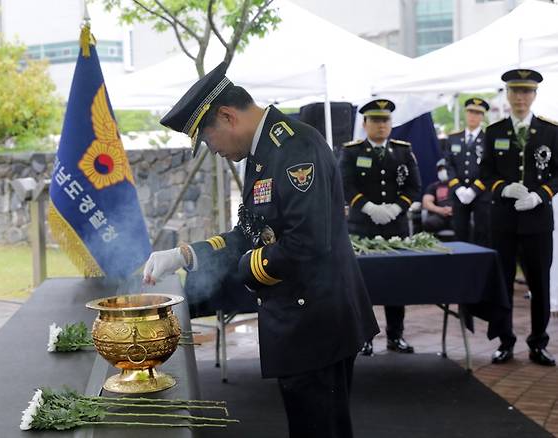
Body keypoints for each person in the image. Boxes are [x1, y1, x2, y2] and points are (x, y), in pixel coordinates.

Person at [142, 62, 379, 437]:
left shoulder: (295, 146)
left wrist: (245, 270)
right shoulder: (264, 151)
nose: (213, 151)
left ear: (226, 116)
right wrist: (187, 254)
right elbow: (252, 231)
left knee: (321, 429)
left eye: (207, 140)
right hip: (301, 321)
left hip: (317, 321)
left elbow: (308, 241)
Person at [480, 68, 557, 366]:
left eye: (526, 91)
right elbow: (485, 172)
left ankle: (538, 342)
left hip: (537, 220)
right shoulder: (495, 131)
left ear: (535, 95)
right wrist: (503, 188)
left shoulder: (552, 131)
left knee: (539, 285)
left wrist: (541, 194)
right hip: (504, 220)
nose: (520, 97)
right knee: (503, 281)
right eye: (515, 91)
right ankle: (505, 341)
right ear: (508, 95)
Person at [340, 99, 421, 356]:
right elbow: (346, 184)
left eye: (385, 120)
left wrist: (397, 207)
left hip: (396, 226)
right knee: (362, 284)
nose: (381, 125)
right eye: (375, 120)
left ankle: (395, 336)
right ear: (365, 124)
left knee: (396, 283)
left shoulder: (403, 151)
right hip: (363, 226)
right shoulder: (352, 151)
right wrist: (368, 207)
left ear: (391, 123)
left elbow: (413, 186)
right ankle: (364, 336)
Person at [445, 97, 491, 245]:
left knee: (482, 232)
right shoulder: (453, 138)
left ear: (482, 116)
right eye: (471, 112)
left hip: (481, 193)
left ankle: (481, 265)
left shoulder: (488, 139)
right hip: (458, 192)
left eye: (478, 113)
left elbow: (489, 167)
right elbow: (448, 164)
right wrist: (457, 188)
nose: (473, 116)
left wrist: (474, 190)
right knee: (459, 231)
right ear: (466, 113)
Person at [422, 159, 453, 234]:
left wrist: (454, 210)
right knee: (428, 223)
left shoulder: (459, 185)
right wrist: (440, 210)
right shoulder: (433, 186)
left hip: (456, 215)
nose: (442, 171)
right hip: (440, 216)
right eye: (440, 170)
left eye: (444, 169)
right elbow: (426, 203)